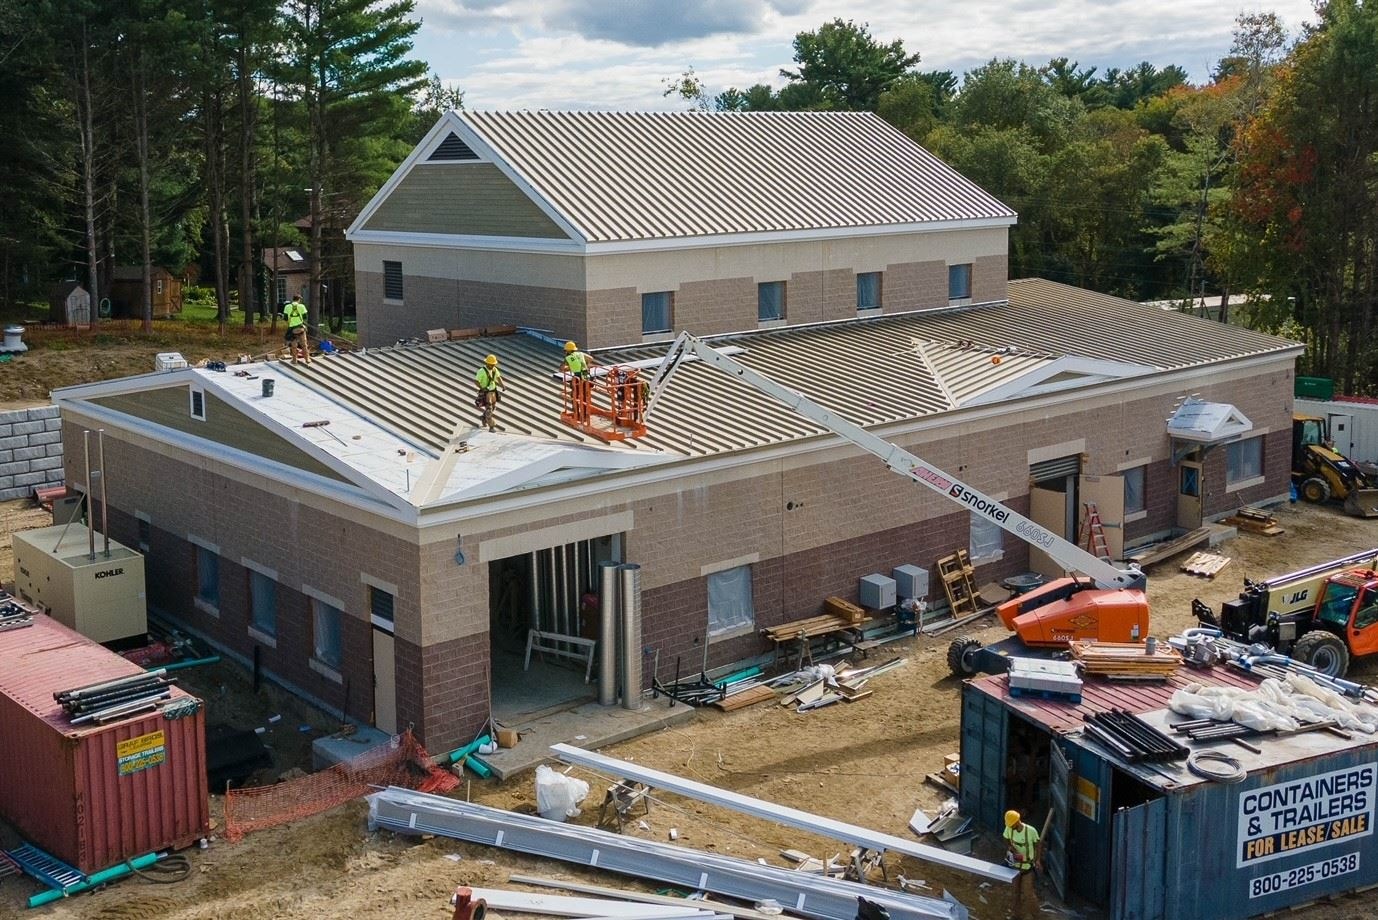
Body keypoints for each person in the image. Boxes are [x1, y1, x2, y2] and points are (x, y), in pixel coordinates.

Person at [1003, 810, 1042, 920]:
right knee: (1015, 893)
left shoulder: (1031, 831)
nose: (1011, 827)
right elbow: (1005, 838)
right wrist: (1011, 848)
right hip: (1015, 867)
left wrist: (1038, 860)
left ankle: (1036, 916)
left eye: (1012, 825)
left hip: (1027, 867)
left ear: (1017, 821)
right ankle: (1016, 915)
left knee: (1028, 894)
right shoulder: (1009, 829)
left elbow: (1038, 845)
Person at [475, 354, 505, 432]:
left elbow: (498, 378)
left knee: (493, 407)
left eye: (493, 364)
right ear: (487, 363)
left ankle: (483, 417)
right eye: (491, 364)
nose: (492, 366)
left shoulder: (495, 370)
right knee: (489, 410)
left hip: (493, 392)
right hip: (486, 393)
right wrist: (482, 388)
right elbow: (476, 381)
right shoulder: (481, 371)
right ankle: (492, 426)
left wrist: (503, 385)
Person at [282, 294, 310, 365]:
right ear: (299, 300)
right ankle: (307, 359)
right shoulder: (302, 306)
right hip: (300, 328)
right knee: (304, 344)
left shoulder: (287, 307)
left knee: (294, 346)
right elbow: (305, 317)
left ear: (293, 299)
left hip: (292, 330)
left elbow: (285, 318)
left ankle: (294, 360)